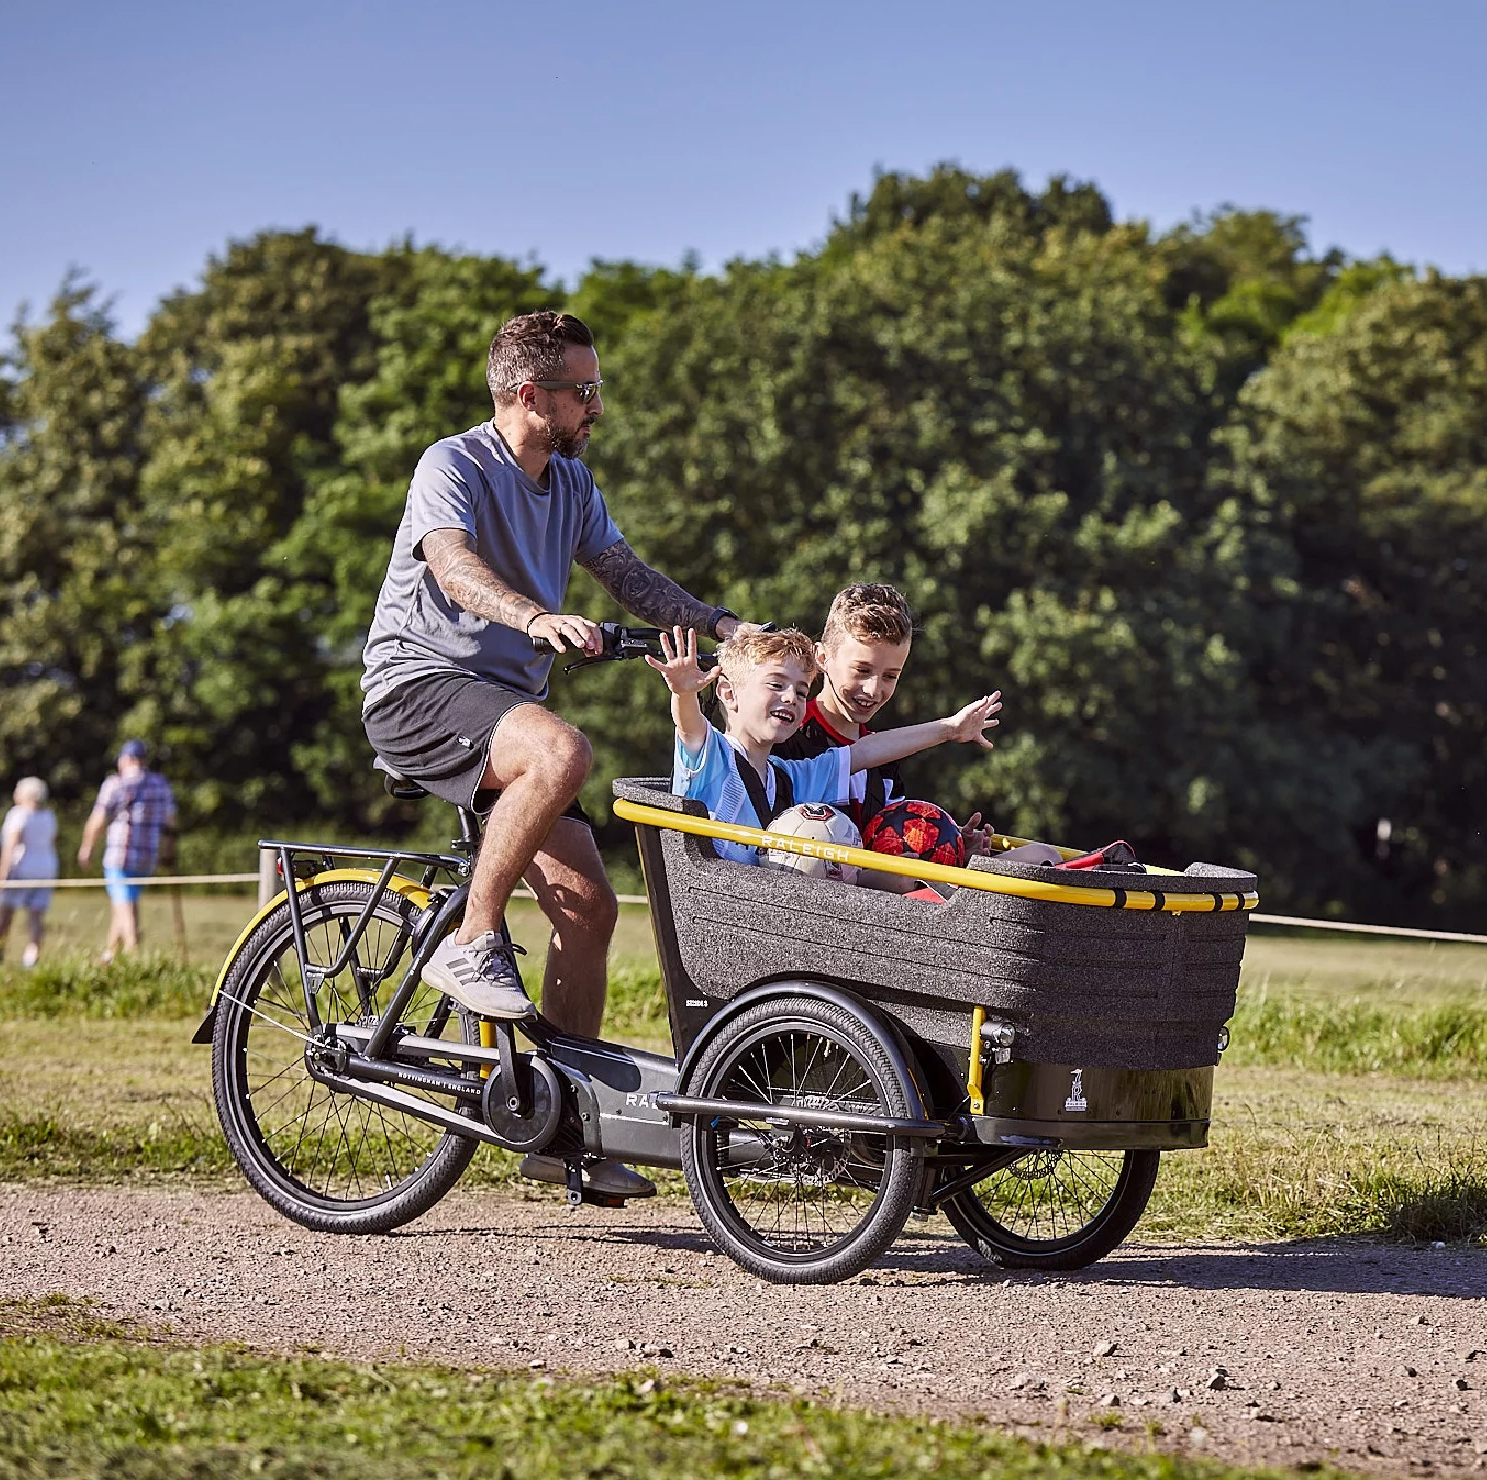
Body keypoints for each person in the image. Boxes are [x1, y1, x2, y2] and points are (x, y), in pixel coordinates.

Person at [359, 310, 742, 1202]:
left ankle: (559, 1132)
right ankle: (474, 938)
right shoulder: (452, 465)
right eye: (585, 390)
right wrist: (533, 617)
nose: (596, 404)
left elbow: (630, 576)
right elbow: (450, 567)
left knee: (590, 909)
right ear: (530, 394)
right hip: (418, 687)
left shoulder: (570, 483)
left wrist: (727, 627)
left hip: (498, 710)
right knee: (563, 750)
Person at [647, 624, 1002, 865]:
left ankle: (960, 865)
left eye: (801, 692)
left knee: (904, 871)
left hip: (768, 912)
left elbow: (865, 752)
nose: (791, 698)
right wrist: (683, 692)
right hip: (715, 908)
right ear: (728, 693)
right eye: (776, 685)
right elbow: (689, 726)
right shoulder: (711, 756)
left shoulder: (791, 777)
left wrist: (950, 729)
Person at [782, 583, 1060, 875]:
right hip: (822, 891)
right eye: (862, 670)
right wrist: (950, 728)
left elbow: (885, 839)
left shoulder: (886, 761)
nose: (874, 688)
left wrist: (947, 844)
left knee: (1043, 855)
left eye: (891, 676)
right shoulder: (790, 733)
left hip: (892, 893)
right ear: (823, 658)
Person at [77, 741, 177, 962]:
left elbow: (97, 820)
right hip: (147, 857)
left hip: (119, 856)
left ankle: (134, 956)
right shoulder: (160, 784)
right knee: (123, 904)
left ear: (126, 759)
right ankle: (109, 956)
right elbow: (170, 822)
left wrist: (87, 848)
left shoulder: (116, 783)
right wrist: (168, 852)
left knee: (125, 907)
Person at [0, 777, 58, 968]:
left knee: (5, 910)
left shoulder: (18, 814)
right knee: (36, 915)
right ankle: (31, 958)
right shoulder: (49, 816)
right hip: (46, 869)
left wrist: (2, 872)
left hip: (21, 869)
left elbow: (10, 845)